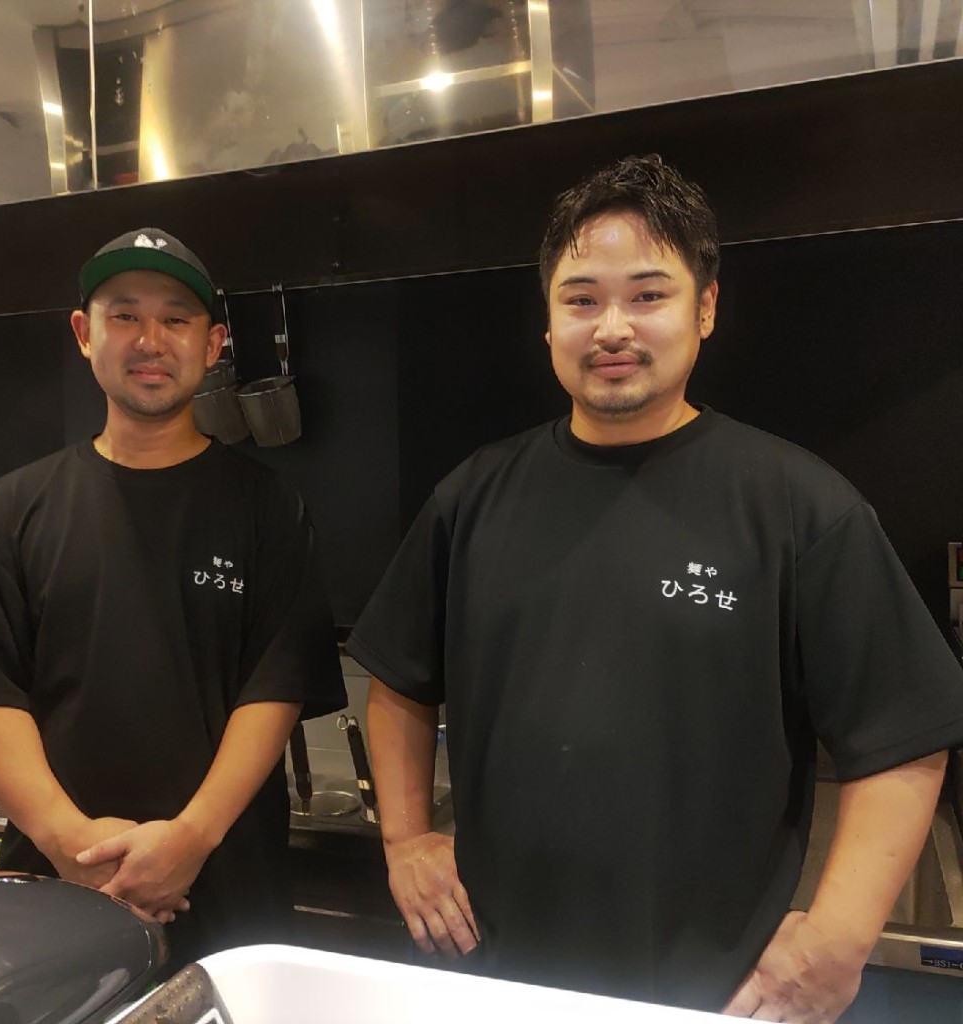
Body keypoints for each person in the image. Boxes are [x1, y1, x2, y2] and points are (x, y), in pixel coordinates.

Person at [346, 155, 963, 1021]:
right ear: (548, 320)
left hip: (714, 993)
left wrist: (838, 938)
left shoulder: (796, 505)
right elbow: (399, 681)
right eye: (582, 298)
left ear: (704, 309)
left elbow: (902, 737)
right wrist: (406, 839)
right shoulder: (473, 497)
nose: (612, 327)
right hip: (502, 975)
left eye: (647, 294)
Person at [0, 228, 346, 966]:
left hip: (227, 884)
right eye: (124, 315)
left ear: (214, 342)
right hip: (52, 889)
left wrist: (188, 840)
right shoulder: (11, 508)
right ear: (82, 334)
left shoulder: (268, 509)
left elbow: (275, 690)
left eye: (176, 318)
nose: (149, 339)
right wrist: (72, 845)